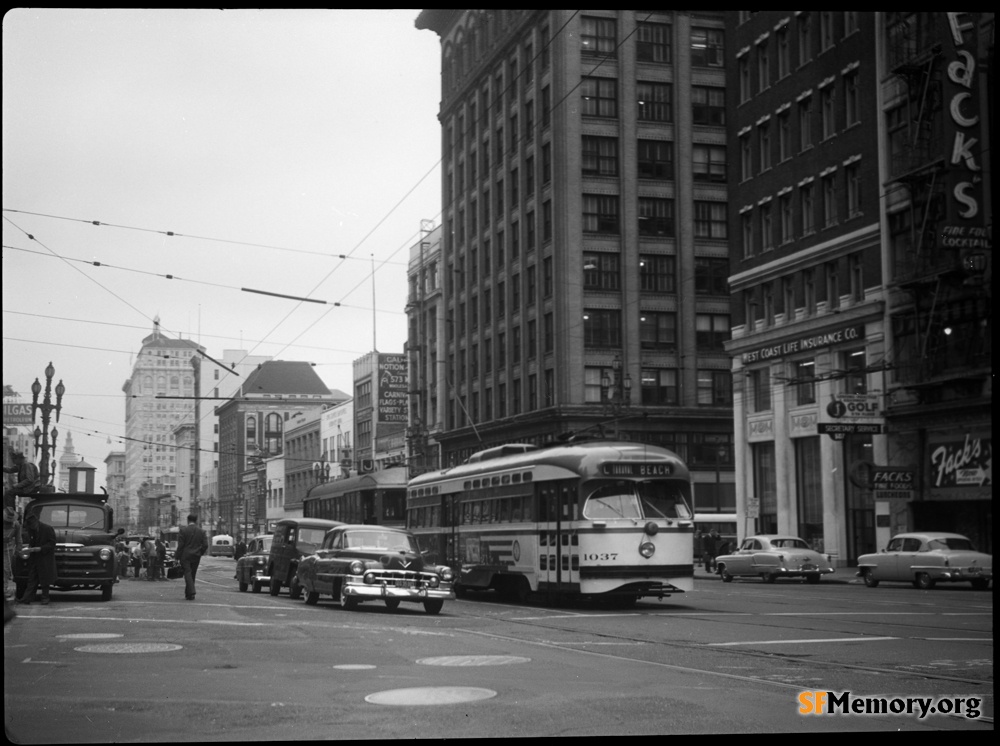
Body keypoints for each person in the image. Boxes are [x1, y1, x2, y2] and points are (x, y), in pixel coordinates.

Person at [18, 510, 56, 605]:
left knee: (45, 579)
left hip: (45, 557)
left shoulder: (47, 529)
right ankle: (27, 598)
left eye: (32, 526)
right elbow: (31, 541)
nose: (31, 528)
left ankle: (45, 597)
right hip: (35, 557)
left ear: (36, 522)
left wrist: (40, 548)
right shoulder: (31, 529)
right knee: (32, 578)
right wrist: (30, 549)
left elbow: (52, 544)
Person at [175, 514, 207, 600]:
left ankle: (191, 591)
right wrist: (200, 552)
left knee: (187, 573)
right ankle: (189, 594)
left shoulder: (183, 531)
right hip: (196, 555)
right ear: (196, 521)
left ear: (188, 520)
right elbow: (205, 545)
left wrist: (177, 556)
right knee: (192, 574)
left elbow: (180, 545)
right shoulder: (202, 531)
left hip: (185, 555)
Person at [3, 507, 23, 601]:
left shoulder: (16, 525)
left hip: (8, 550)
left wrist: (18, 551)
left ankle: (4, 588)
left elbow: (19, 539)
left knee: (6, 570)